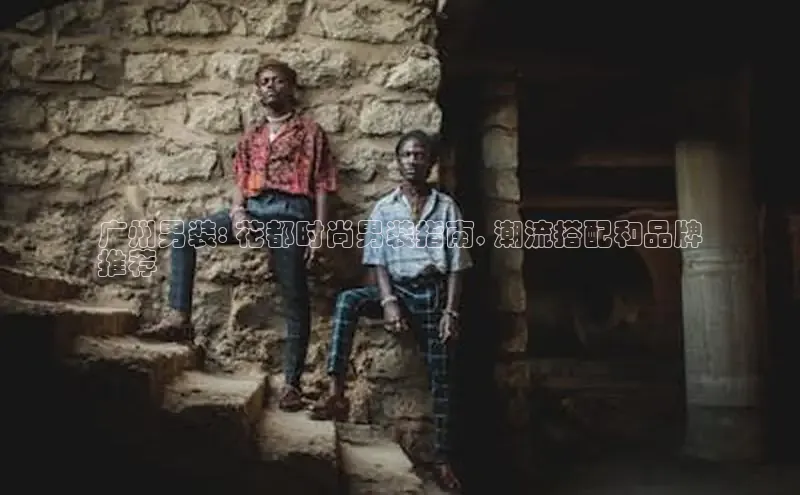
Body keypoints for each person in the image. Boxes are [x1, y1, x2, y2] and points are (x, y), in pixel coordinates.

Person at [139, 59, 337, 412]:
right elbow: (240, 183)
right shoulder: (252, 136)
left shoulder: (310, 132)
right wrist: (238, 213)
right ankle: (179, 318)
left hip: (291, 215)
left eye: (278, 80)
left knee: (294, 296)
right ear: (257, 90)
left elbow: (323, 183)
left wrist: (319, 231)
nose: (270, 86)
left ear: (292, 88)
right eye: (264, 81)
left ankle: (291, 384)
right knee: (185, 234)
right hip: (254, 211)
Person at [308, 130, 470, 492]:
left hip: (432, 295)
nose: (413, 161)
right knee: (348, 300)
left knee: (443, 376)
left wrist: (450, 313)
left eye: (420, 155)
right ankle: (336, 392)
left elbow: (457, 265)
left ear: (431, 163)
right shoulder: (384, 208)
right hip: (396, 290)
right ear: (398, 162)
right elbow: (377, 260)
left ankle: (443, 460)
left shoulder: (446, 208)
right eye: (407, 155)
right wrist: (388, 301)